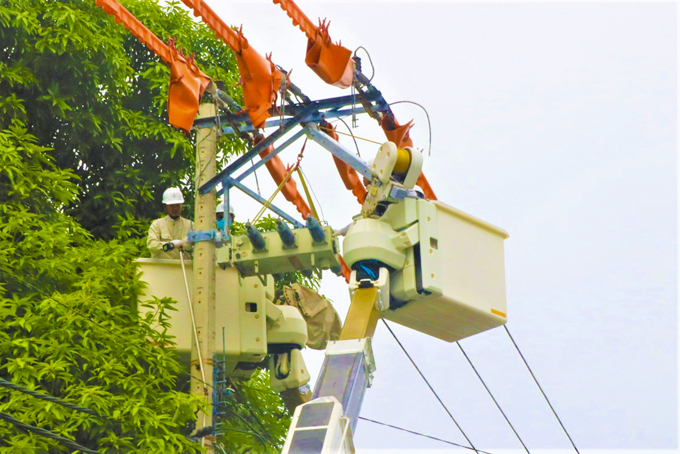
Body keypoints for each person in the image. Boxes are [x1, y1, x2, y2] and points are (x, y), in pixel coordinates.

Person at [147, 187, 193, 260]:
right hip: (162, 267)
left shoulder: (190, 225)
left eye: (177, 205)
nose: (175, 209)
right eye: (171, 206)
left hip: (185, 268)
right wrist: (169, 245)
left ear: (181, 205)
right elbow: (151, 245)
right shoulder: (157, 224)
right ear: (166, 206)